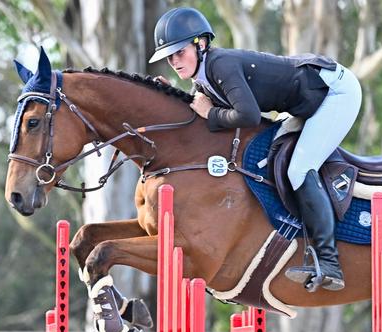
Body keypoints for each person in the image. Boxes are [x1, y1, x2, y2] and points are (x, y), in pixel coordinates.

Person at [148, 7, 362, 292]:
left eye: (179, 52)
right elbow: (203, 106)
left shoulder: (219, 64)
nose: (174, 61)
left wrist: (210, 115)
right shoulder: (203, 77)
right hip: (307, 100)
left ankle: (329, 262)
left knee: (299, 169)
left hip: (335, 94)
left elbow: (246, 116)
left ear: (200, 44)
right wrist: (170, 94)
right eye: (169, 56)